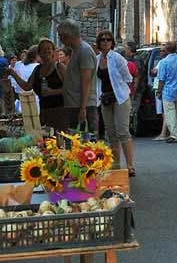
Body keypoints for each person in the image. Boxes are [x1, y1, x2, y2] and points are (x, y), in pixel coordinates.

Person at [4, 38, 67, 132]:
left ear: (53, 52)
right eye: (43, 49)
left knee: (59, 142)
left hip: (59, 113)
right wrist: (13, 73)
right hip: (43, 113)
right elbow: (27, 87)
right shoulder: (37, 70)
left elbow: (71, 89)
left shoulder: (60, 68)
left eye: (49, 48)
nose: (46, 51)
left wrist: (52, 92)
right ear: (39, 53)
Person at [96, 31, 136, 175]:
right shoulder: (97, 59)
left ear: (112, 42)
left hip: (120, 98)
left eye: (108, 39)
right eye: (102, 40)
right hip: (105, 99)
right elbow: (97, 81)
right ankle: (116, 164)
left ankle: (130, 166)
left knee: (123, 132)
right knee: (111, 133)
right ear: (99, 43)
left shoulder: (117, 58)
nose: (105, 42)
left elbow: (128, 78)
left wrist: (120, 90)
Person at [56, 20, 99, 133]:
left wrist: (83, 108)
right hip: (74, 104)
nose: (60, 39)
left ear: (69, 35)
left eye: (62, 36)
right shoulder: (75, 51)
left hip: (82, 105)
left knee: (85, 142)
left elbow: (86, 80)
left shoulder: (84, 51)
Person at [155, 40, 177, 143]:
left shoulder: (164, 62)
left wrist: (159, 91)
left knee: (170, 114)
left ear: (166, 50)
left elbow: (161, 79)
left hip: (168, 90)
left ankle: (174, 135)